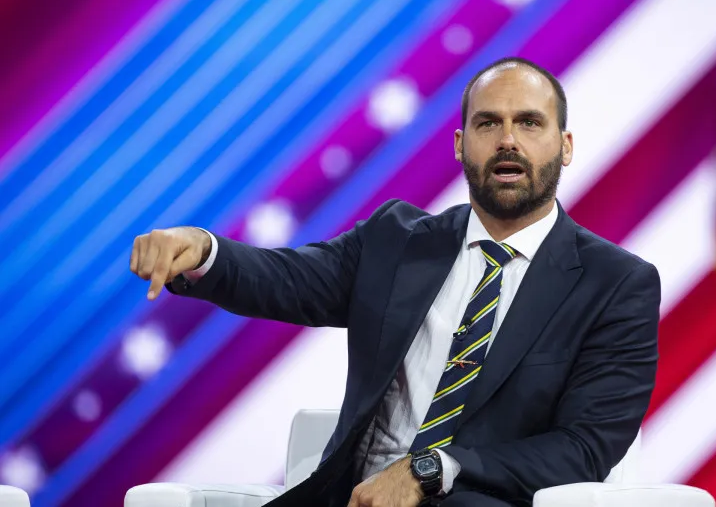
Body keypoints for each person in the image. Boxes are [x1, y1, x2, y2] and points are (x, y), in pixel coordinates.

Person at [130, 57, 660, 507]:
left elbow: (582, 450)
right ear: (460, 144)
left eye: (528, 123)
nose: (507, 141)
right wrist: (204, 251)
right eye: (487, 124)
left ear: (565, 145)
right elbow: (288, 279)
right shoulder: (397, 240)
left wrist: (433, 469)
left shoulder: (616, 285)